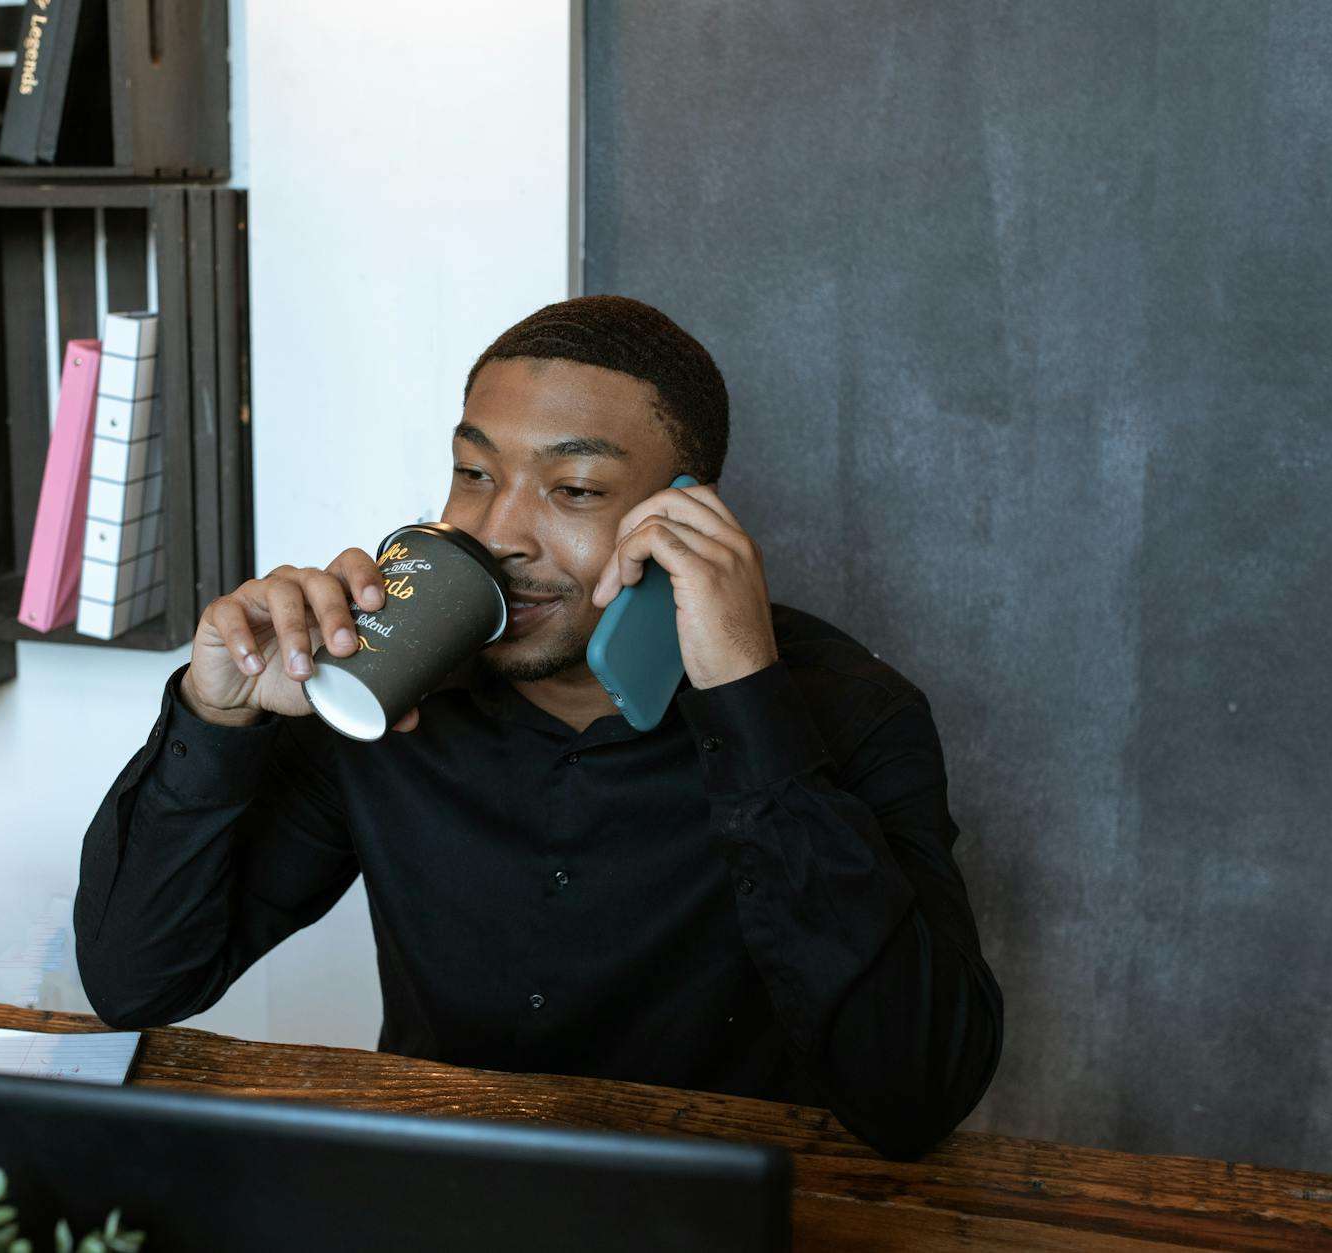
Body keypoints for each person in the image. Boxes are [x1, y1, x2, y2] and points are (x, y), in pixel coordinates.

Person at [75, 295, 1003, 1159]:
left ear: (686, 512)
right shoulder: (381, 691)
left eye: (576, 489)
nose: (502, 533)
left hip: (722, 1217)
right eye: (475, 473)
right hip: (442, 1203)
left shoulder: (854, 711)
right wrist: (218, 716)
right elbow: (137, 983)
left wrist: (749, 706)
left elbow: (915, 1097)